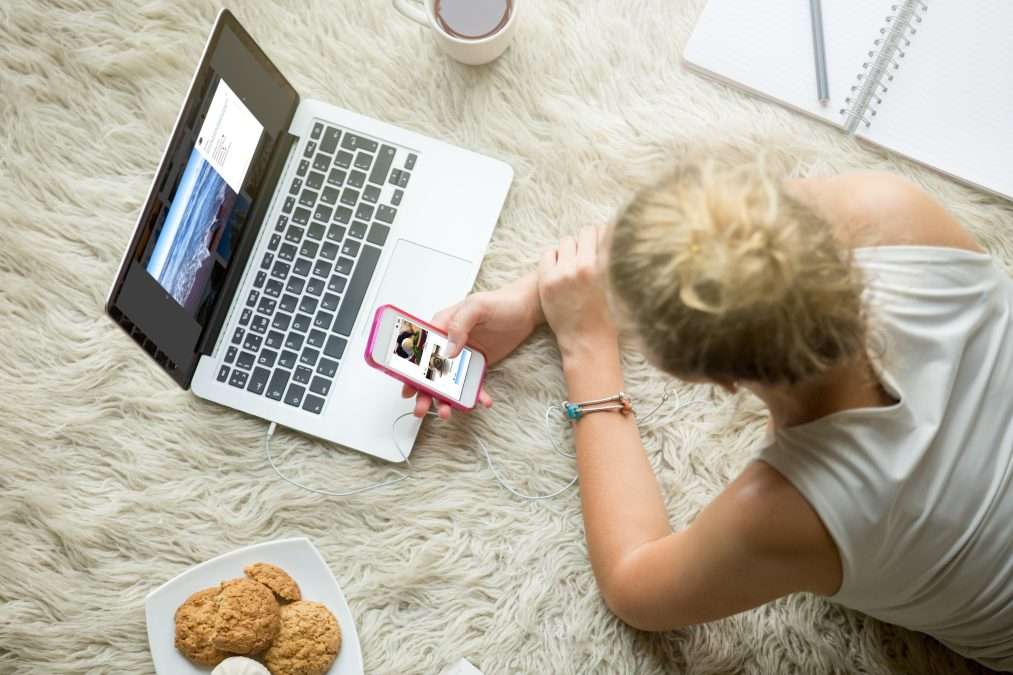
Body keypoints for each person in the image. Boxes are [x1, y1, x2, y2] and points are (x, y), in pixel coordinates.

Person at [402, 160, 1013, 671]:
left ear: (714, 381)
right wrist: (528, 297)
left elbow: (632, 584)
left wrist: (585, 344)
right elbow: (716, 229)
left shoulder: (789, 509)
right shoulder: (893, 209)